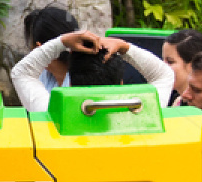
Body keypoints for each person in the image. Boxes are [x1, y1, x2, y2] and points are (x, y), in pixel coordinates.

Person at [10, 6, 174, 111]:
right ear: (121, 84)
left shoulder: (53, 112)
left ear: (71, 84)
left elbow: (21, 72)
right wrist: (124, 46)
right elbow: (164, 75)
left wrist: (63, 42)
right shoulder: (139, 110)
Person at [161, 28, 202, 107]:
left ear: (194, 65)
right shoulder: (178, 101)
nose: (162, 66)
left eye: (170, 62)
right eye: (163, 60)